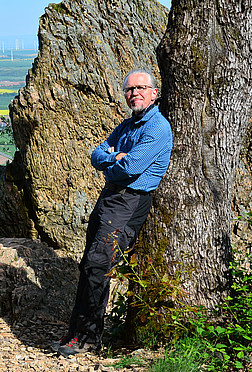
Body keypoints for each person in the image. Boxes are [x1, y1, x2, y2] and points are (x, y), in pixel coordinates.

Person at [54, 69, 173, 357]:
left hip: (129, 203)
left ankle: (87, 337)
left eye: (141, 88)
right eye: (130, 90)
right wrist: (113, 157)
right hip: (108, 199)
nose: (135, 94)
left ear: (154, 93)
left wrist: (115, 159)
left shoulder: (157, 127)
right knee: (89, 266)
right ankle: (76, 330)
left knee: (98, 266)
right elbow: (96, 155)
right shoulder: (127, 125)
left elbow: (131, 168)